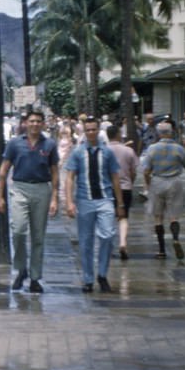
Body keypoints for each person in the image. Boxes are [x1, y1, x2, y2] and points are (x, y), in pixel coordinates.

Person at [0, 109, 59, 294]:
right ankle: (21, 269)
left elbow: (54, 172)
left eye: (39, 121)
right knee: (19, 231)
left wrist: (55, 197)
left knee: (38, 237)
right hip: (20, 188)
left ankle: (35, 278)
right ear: (26, 123)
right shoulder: (15, 143)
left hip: (41, 190)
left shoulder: (49, 144)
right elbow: (3, 170)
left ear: (43, 124)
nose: (35, 124)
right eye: (32, 121)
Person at [64, 117, 126, 293]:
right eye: (88, 130)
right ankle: (88, 279)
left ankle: (103, 274)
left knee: (107, 235)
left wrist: (120, 203)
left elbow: (115, 177)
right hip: (84, 200)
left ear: (99, 131)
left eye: (94, 129)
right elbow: (70, 177)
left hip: (105, 199)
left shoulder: (107, 152)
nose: (91, 132)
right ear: (84, 131)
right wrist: (69, 202)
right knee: (85, 240)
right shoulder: (77, 152)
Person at [142, 121, 185, 260]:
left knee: (158, 217)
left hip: (157, 182)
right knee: (174, 216)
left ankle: (161, 250)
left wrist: (147, 186)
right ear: (171, 132)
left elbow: (146, 170)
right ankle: (175, 239)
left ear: (158, 134)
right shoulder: (179, 149)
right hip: (175, 182)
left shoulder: (152, 149)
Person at [105, 123, 138, 261]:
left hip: (107, 189)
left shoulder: (103, 150)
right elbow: (133, 171)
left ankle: (108, 247)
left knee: (107, 219)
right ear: (118, 135)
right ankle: (123, 243)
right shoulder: (128, 151)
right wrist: (130, 181)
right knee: (123, 217)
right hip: (125, 188)